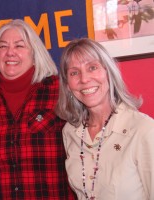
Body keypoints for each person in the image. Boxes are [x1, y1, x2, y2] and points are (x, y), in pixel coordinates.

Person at [0, 19, 75, 199]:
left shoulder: (61, 92)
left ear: (35, 53)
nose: (10, 52)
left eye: (19, 46)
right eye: (3, 47)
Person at [56, 38, 154, 200]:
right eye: (74, 73)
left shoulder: (144, 130)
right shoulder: (70, 132)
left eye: (92, 68)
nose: (84, 79)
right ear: (68, 85)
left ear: (109, 72)